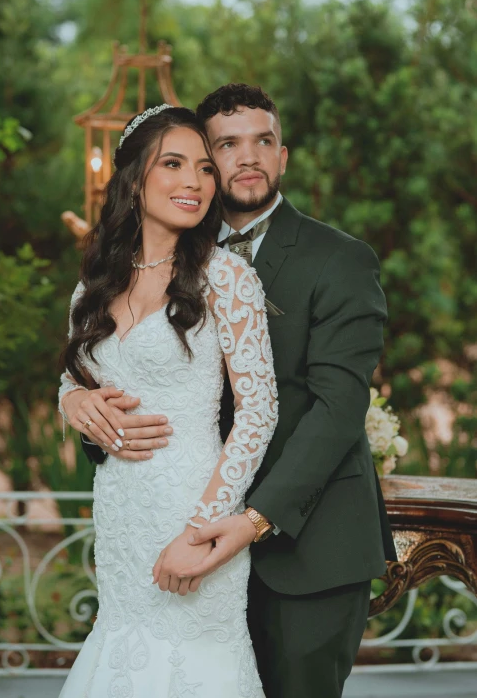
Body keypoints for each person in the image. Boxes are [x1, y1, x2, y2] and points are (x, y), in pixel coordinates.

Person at [80, 84, 399, 698]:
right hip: (172, 531)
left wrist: (248, 522)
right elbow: (120, 371)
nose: (247, 157)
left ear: (284, 156)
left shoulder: (341, 260)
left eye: (264, 142)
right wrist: (75, 402)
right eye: (225, 145)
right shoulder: (166, 259)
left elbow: (337, 409)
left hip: (303, 547)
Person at [57, 104, 278, 698]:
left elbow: (258, 416)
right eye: (173, 164)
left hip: (192, 513)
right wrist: (73, 403)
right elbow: (75, 378)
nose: (196, 183)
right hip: (121, 519)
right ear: (135, 179)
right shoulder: (94, 284)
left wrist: (201, 531)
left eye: (205, 169)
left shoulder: (226, 278)